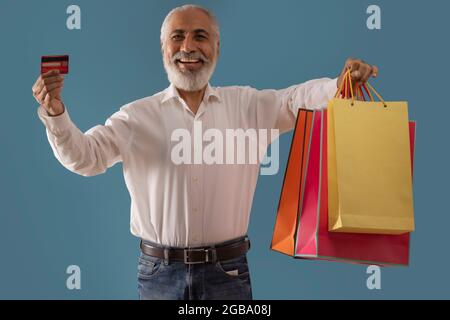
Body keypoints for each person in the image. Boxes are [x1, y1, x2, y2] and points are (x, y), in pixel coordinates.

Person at [32, 4, 378, 300]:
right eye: (177, 36)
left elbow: (294, 98)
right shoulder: (136, 116)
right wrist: (56, 113)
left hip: (228, 274)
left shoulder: (248, 106)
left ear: (217, 46)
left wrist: (339, 85)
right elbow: (86, 157)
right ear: (163, 48)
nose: (188, 46)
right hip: (159, 276)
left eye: (200, 36)